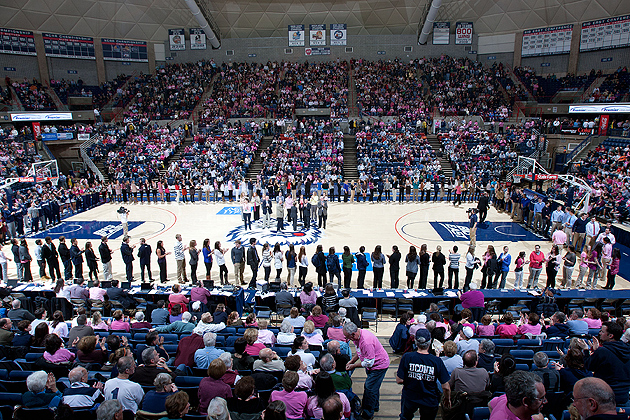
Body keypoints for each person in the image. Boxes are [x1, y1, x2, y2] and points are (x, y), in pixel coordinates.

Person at [396, 328, 451, 420]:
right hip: (429, 399)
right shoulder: (436, 361)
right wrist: (447, 398)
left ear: (416, 342)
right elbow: (446, 386)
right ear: (430, 342)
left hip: (410, 397)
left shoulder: (407, 357)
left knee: (405, 417)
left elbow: (399, 380)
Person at [343, 322, 389, 419]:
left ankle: (368, 414)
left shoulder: (366, 341)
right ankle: (374, 406)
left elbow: (369, 362)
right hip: (372, 364)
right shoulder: (357, 337)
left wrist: (354, 366)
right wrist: (351, 361)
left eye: (348, 337)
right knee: (373, 386)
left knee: (369, 388)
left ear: (353, 334)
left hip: (379, 365)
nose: (347, 339)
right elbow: (360, 352)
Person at [583, 321, 630, 406]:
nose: (600, 333)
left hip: (605, 396)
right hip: (624, 396)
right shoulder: (627, 350)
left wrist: (586, 351)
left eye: (602, 331)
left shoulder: (602, 351)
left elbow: (588, 366)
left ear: (610, 336)